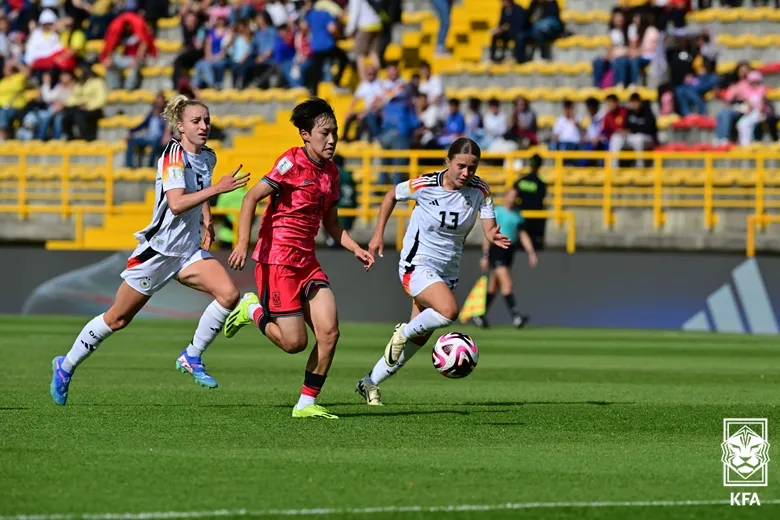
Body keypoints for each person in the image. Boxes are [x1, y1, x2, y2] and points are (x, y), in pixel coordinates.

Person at [50, 95, 251, 406]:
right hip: (157, 252)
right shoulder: (173, 157)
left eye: (207, 120)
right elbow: (177, 202)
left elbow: (200, 191)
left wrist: (208, 222)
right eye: (196, 121)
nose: (203, 126)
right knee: (117, 319)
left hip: (186, 252)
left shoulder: (208, 157)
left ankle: (191, 355)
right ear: (180, 126)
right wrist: (218, 189)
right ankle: (65, 366)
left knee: (228, 295)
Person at [223, 97, 374, 420]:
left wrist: (355, 247)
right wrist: (242, 243)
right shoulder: (290, 163)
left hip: (307, 262)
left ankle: (306, 403)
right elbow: (251, 197)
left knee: (330, 332)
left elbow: (332, 224)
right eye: (325, 133)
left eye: (334, 132)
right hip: (276, 261)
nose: (332, 139)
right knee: (294, 343)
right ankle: (252, 309)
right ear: (305, 134)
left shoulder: (331, 172)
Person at [355, 138, 511, 406]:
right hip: (417, 265)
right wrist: (378, 234)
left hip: (447, 272)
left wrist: (492, 234)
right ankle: (401, 332)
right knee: (448, 311)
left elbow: (487, 227)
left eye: (472, 168)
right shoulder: (424, 185)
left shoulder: (480, 191)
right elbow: (391, 195)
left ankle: (370, 382)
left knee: (419, 337)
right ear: (447, 162)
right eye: (461, 166)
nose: (466, 173)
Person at [473, 189, 538, 329]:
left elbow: (522, 234)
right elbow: (488, 233)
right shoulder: (498, 212)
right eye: (511, 196)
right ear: (506, 196)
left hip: (509, 251)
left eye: (515, 197)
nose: (512, 199)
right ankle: (516, 316)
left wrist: (531, 252)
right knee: (507, 283)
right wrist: (485, 255)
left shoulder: (518, 215)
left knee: (493, 286)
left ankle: (479, 315)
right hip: (497, 249)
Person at [513, 154, 547, 251]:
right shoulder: (541, 182)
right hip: (536, 218)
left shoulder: (521, 180)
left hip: (521, 215)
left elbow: (513, 192)